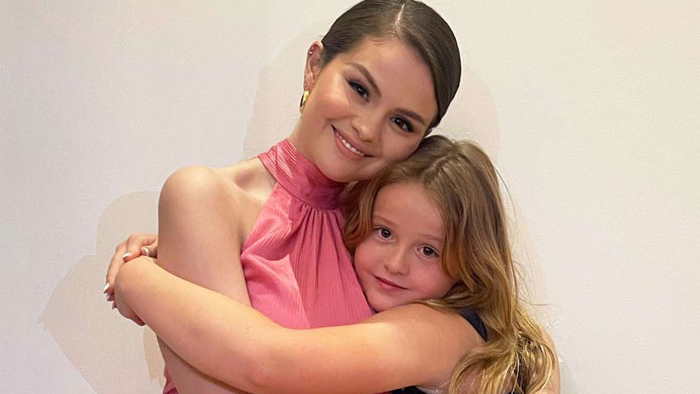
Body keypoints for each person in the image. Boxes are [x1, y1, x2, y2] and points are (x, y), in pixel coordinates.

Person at [104, 0, 462, 393]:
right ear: (314, 66)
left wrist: (136, 278)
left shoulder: (383, 239)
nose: (367, 129)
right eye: (359, 89)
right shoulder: (204, 198)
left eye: (401, 122)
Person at [113, 136, 560, 393]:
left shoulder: (438, 332)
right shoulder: (475, 331)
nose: (396, 264)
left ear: (469, 261)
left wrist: (137, 279)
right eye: (384, 232)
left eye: (428, 251)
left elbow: (266, 363)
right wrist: (176, 246)